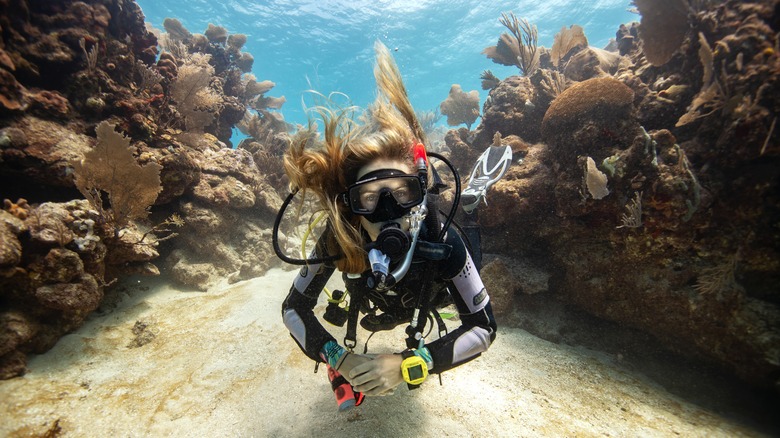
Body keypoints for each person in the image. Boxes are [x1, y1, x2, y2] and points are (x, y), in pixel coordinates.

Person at [280, 42, 496, 400]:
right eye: (369, 198)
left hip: (432, 286)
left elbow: (484, 327)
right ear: (352, 208)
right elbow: (293, 308)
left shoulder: (441, 240)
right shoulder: (341, 237)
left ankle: (470, 206)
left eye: (401, 193)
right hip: (380, 295)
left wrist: (411, 362)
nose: (386, 211)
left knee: (473, 255)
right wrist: (339, 358)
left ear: (420, 194)